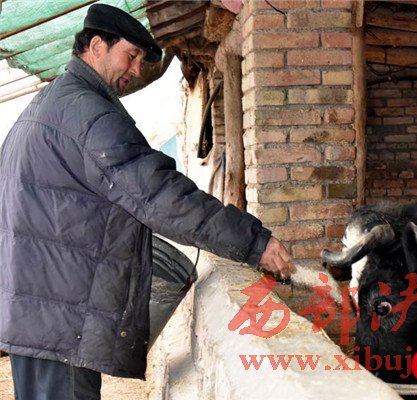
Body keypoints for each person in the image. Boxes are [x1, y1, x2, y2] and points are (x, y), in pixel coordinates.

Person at [0, 4, 295, 399]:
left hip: (37, 308)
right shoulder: (89, 114)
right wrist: (254, 242)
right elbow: (161, 196)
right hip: (60, 315)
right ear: (97, 46)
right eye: (132, 55)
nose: (137, 69)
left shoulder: (50, 103)